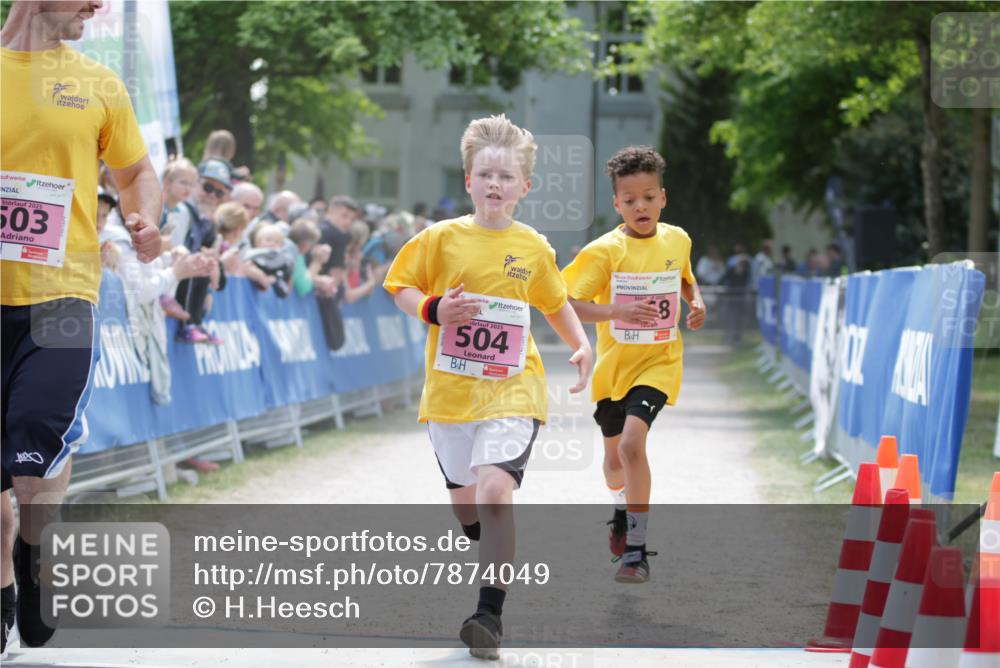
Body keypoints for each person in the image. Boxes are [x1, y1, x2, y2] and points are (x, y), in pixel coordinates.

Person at [383, 114, 592, 660]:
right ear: (468, 180)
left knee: (497, 491)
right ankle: (488, 543)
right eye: (485, 174)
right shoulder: (439, 238)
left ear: (525, 186)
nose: (494, 184)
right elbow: (399, 287)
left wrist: (581, 344)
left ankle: (488, 616)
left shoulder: (533, 247)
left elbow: (555, 302)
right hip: (451, 397)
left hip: (512, 388)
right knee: (467, 507)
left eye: (506, 176)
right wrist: (435, 309)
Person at [1, 0, 162, 656]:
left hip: (62, 298)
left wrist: (142, 217)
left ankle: (32, 550)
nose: (98, 4)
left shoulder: (97, 83)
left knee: (33, 456)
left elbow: (136, 173)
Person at [561, 145, 705, 584]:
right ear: (616, 204)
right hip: (613, 371)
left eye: (648, 196)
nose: (639, 206)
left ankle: (636, 553)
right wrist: (615, 312)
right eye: (629, 200)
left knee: (630, 446)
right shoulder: (604, 251)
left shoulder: (677, 238)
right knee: (612, 464)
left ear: (663, 197)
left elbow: (684, 275)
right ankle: (620, 512)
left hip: (659, 363)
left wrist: (695, 301)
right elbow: (568, 303)